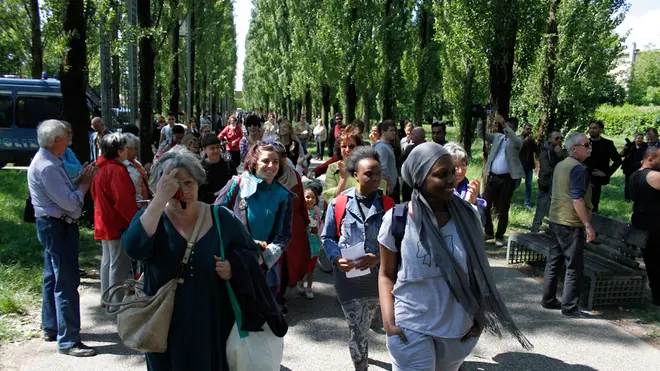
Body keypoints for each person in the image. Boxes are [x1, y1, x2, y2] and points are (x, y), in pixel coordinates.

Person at [121, 147, 286, 370]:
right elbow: (133, 248)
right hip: (163, 325)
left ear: (198, 183)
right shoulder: (152, 218)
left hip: (212, 324)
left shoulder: (221, 218)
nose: (182, 190)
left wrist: (233, 267)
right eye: (173, 184)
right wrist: (159, 200)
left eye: (188, 182)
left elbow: (254, 254)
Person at [378, 142, 531, 371]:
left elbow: (477, 270)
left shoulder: (469, 215)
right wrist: (389, 322)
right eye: (442, 174)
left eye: (452, 172)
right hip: (410, 326)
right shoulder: (397, 219)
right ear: (419, 178)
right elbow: (386, 274)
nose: (452, 179)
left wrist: (479, 317)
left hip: (458, 329)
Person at [28, 119, 98, 356]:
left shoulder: (52, 161)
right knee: (66, 283)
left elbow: (66, 190)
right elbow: (70, 203)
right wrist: (85, 185)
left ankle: (52, 327)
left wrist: (79, 180)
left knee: (52, 277)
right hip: (57, 227)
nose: (69, 140)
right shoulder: (47, 166)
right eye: (65, 136)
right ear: (56, 140)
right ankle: (68, 340)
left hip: (54, 226)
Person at [321, 146, 392, 371]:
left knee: (376, 321)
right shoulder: (339, 203)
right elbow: (327, 236)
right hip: (349, 278)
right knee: (357, 329)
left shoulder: (389, 207)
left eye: (378, 173)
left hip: (381, 278)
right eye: (369, 174)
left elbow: (400, 243)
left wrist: (378, 257)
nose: (374, 178)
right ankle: (361, 366)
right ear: (355, 176)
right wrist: (335, 258)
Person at [215, 142, 294, 306]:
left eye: (276, 161)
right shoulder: (237, 184)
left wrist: (264, 257)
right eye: (265, 161)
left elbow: (285, 234)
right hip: (234, 263)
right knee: (235, 320)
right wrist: (244, 244)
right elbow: (215, 217)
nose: (271, 166)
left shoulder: (284, 195)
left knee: (263, 318)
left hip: (266, 267)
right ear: (254, 162)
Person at [542, 132, 595, 317]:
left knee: (554, 260)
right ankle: (570, 307)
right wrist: (587, 225)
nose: (589, 147)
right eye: (586, 144)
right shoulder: (578, 169)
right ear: (573, 148)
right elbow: (577, 198)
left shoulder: (560, 165)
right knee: (574, 266)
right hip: (570, 222)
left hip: (556, 218)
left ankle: (548, 299)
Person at [91, 133, 138, 306]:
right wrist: (134, 221)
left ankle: (105, 297)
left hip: (103, 219)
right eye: (126, 149)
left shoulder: (100, 168)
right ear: (119, 151)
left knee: (108, 261)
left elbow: (94, 194)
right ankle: (115, 301)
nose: (127, 152)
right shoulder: (116, 170)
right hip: (116, 222)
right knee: (118, 264)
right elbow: (124, 200)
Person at [477, 116, 524, 246]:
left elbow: (516, 141)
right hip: (493, 177)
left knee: (503, 208)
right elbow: (481, 135)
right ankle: (489, 232)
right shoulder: (498, 137)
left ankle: (500, 236)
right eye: (504, 127)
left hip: (507, 179)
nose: (505, 129)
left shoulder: (518, 140)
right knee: (484, 204)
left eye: (508, 127)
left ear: (514, 129)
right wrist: (481, 120)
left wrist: (504, 124)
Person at [273, 142, 311, 304]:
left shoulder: (294, 175)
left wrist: (305, 220)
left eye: (282, 156)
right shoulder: (267, 175)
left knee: (292, 260)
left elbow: (301, 199)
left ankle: (284, 288)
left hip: (293, 223)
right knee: (276, 259)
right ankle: (276, 294)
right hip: (274, 225)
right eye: (276, 157)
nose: (280, 160)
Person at [630, 147, 660, 306]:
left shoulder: (635, 175)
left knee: (652, 260)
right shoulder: (654, 176)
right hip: (654, 224)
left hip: (640, 221)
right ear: (650, 159)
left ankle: (657, 293)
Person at [322, 128, 386, 202]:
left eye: (351, 146)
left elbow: (380, 192)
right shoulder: (333, 168)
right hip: (340, 210)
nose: (347, 150)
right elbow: (330, 199)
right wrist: (343, 180)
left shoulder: (368, 167)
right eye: (344, 146)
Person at [582, 120, 622, 213]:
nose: (592, 130)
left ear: (601, 129)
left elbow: (618, 160)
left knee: (593, 205)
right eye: (590, 128)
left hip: (596, 179)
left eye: (595, 128)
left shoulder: (607, 144)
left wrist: (606, 173)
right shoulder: (585, 143)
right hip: (583, 176)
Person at [531, 131, 566, 233]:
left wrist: (560, 155)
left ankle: (552, 233)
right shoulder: (545, 152)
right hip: (546, 186)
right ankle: (534, 233)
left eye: (561, 138)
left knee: (556, 213)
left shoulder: (562, 152)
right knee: (540, 212)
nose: (559, 140)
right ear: (550, 139)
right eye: (556, 138)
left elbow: (568, 164)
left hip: (558, 188)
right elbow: (547, 170)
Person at [298, 188, 323, 299]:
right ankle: (300, 282)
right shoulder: (300, 212)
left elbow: (321, 226)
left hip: (315, 243)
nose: (310, 199)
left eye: (313, 197)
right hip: (303, 244)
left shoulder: (318, 212)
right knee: (303, 266)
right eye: (307, 197)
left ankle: (309, 287)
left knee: (312, 268)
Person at [444, 142, 485, 209]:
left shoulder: (470, 188)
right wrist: (467, 204)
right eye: (455, 166)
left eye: (463, 165)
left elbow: (481, 217)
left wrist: (475, 202)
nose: (460, 171)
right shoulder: (440, 190)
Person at [198, 136, 237, 204]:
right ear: (204, 149)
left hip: (227, 204)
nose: (216, 151)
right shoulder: (199, 167)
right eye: (212, 148)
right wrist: (216, 194)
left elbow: (235, 184)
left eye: (218, 147)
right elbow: (198, 193)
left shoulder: (229, 164)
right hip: (207, 206)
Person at [123, 133, 150, 206]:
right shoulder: (122, 167)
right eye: (135, 149)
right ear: (127, 149)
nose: (137, 152)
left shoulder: (136, 163)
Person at [401, 127, 426, 202]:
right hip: (408, 181)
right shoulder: (409, 148)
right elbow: (400, 160)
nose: (410, 136)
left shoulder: (427, 148)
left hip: (421, 182)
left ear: (419, 136)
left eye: (413, 134)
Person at [373, 120, 398, 196]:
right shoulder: (382, 148)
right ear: (383, 132)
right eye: (391, 130)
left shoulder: (387, 146)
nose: (394, 133)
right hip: (386, 187)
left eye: (394, 130)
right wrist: (389, 185)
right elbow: (383, 167)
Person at [620, 133, 647, 201]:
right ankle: (627, 198)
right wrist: (626, 147)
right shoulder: (630, 145)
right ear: (635, 138)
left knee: (639, 183)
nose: (640, 140)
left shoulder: (645, 146)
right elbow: (622, 154)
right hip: (629, 167)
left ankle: (637, 198)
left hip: (639, 167)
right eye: (638, 138)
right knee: (628, 183)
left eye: (641, 138)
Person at [518, 123, 537, 209]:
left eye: (530, 129)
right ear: (524, 129)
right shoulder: (519, 138)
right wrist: (525, 142)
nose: (529, 131)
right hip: (520, 165)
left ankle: (527, 203)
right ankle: (508, 199)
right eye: (527, 129)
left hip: (529, 165)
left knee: (528, 185)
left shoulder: (532, 140)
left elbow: (536, 151)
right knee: (515, 184)